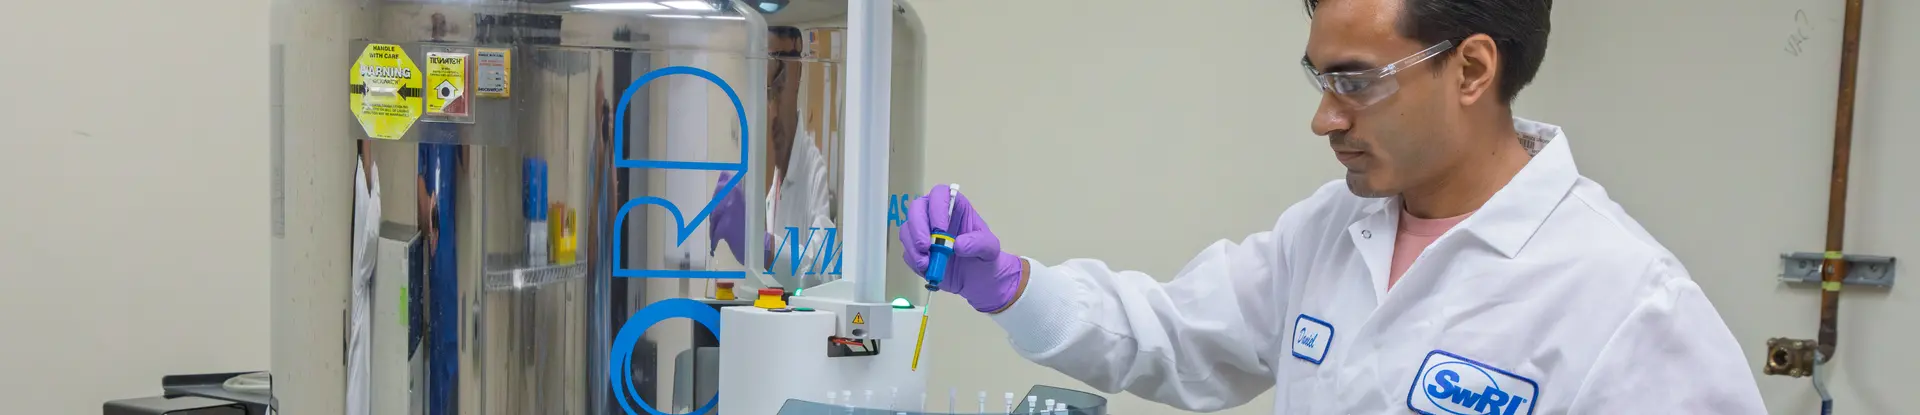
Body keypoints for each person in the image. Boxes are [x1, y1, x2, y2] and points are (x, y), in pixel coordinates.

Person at [896, 0, 1766, 413]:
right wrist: (1011, 285)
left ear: (1471, 69)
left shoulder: (1627, 301)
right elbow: (1172, 334)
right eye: (1320, 79)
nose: (1325, 118)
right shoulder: (1330, 229)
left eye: (1355, 82)